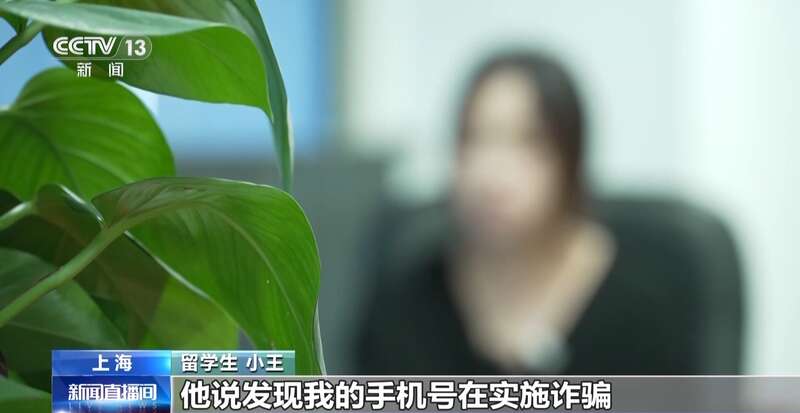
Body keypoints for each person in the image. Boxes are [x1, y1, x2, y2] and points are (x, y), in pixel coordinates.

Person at [357, 51, 707, 375]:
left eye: (528, 142)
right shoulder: (407, 302)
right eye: (474, 139)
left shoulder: (641, 306)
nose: (492, 173)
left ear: (570, 159)